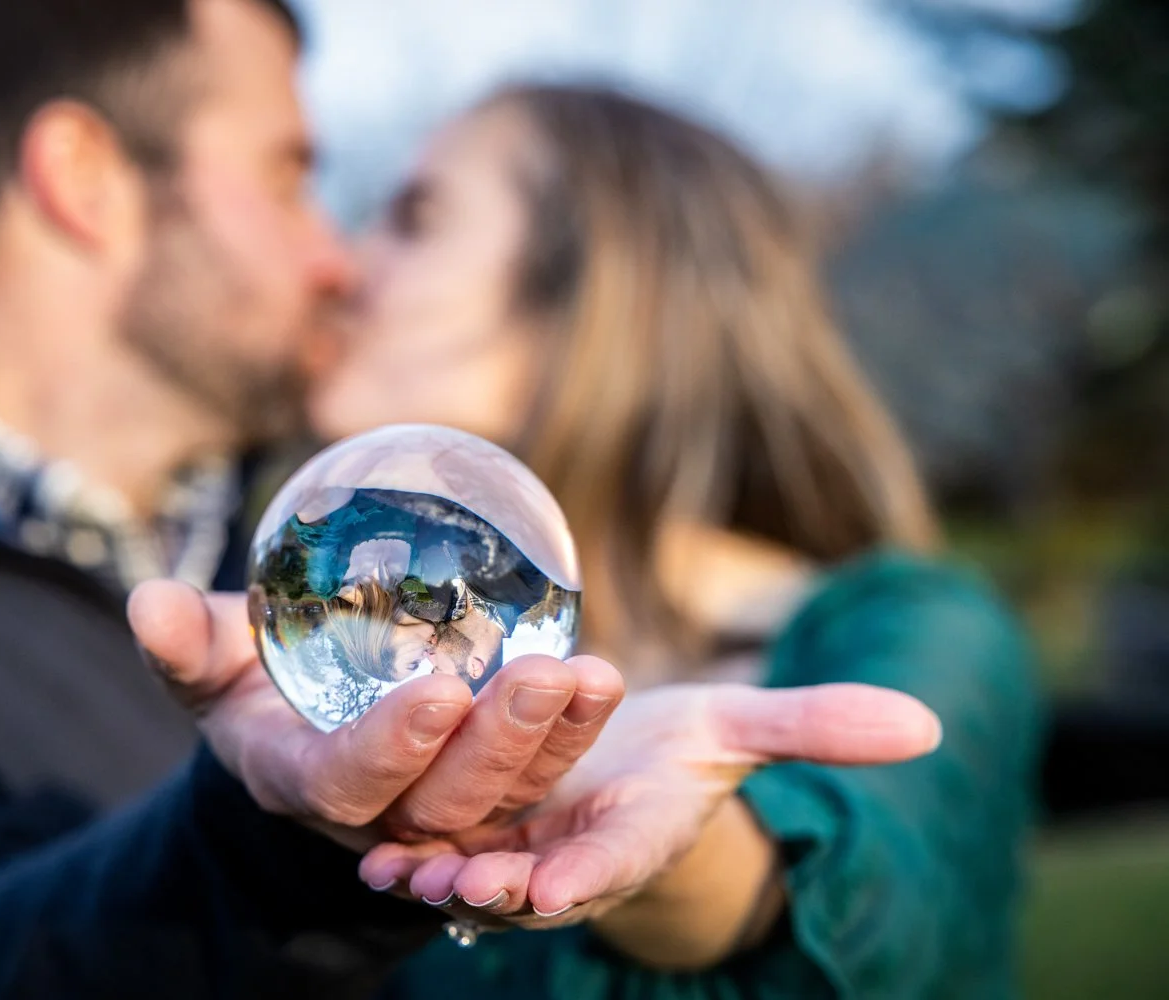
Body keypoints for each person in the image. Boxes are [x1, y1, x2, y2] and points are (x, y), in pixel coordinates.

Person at [0, 3, 636, 995]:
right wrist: (281, 842)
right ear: (84, 177)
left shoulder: (318, 548)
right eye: (289, 175)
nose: (335, 258)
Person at [306, 85, 1042, 997]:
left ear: (592, 302)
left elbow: (882, 905)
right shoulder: (382, 669)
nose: (340, 265)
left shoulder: (917, 633)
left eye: (416, 219)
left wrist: (671, 849)